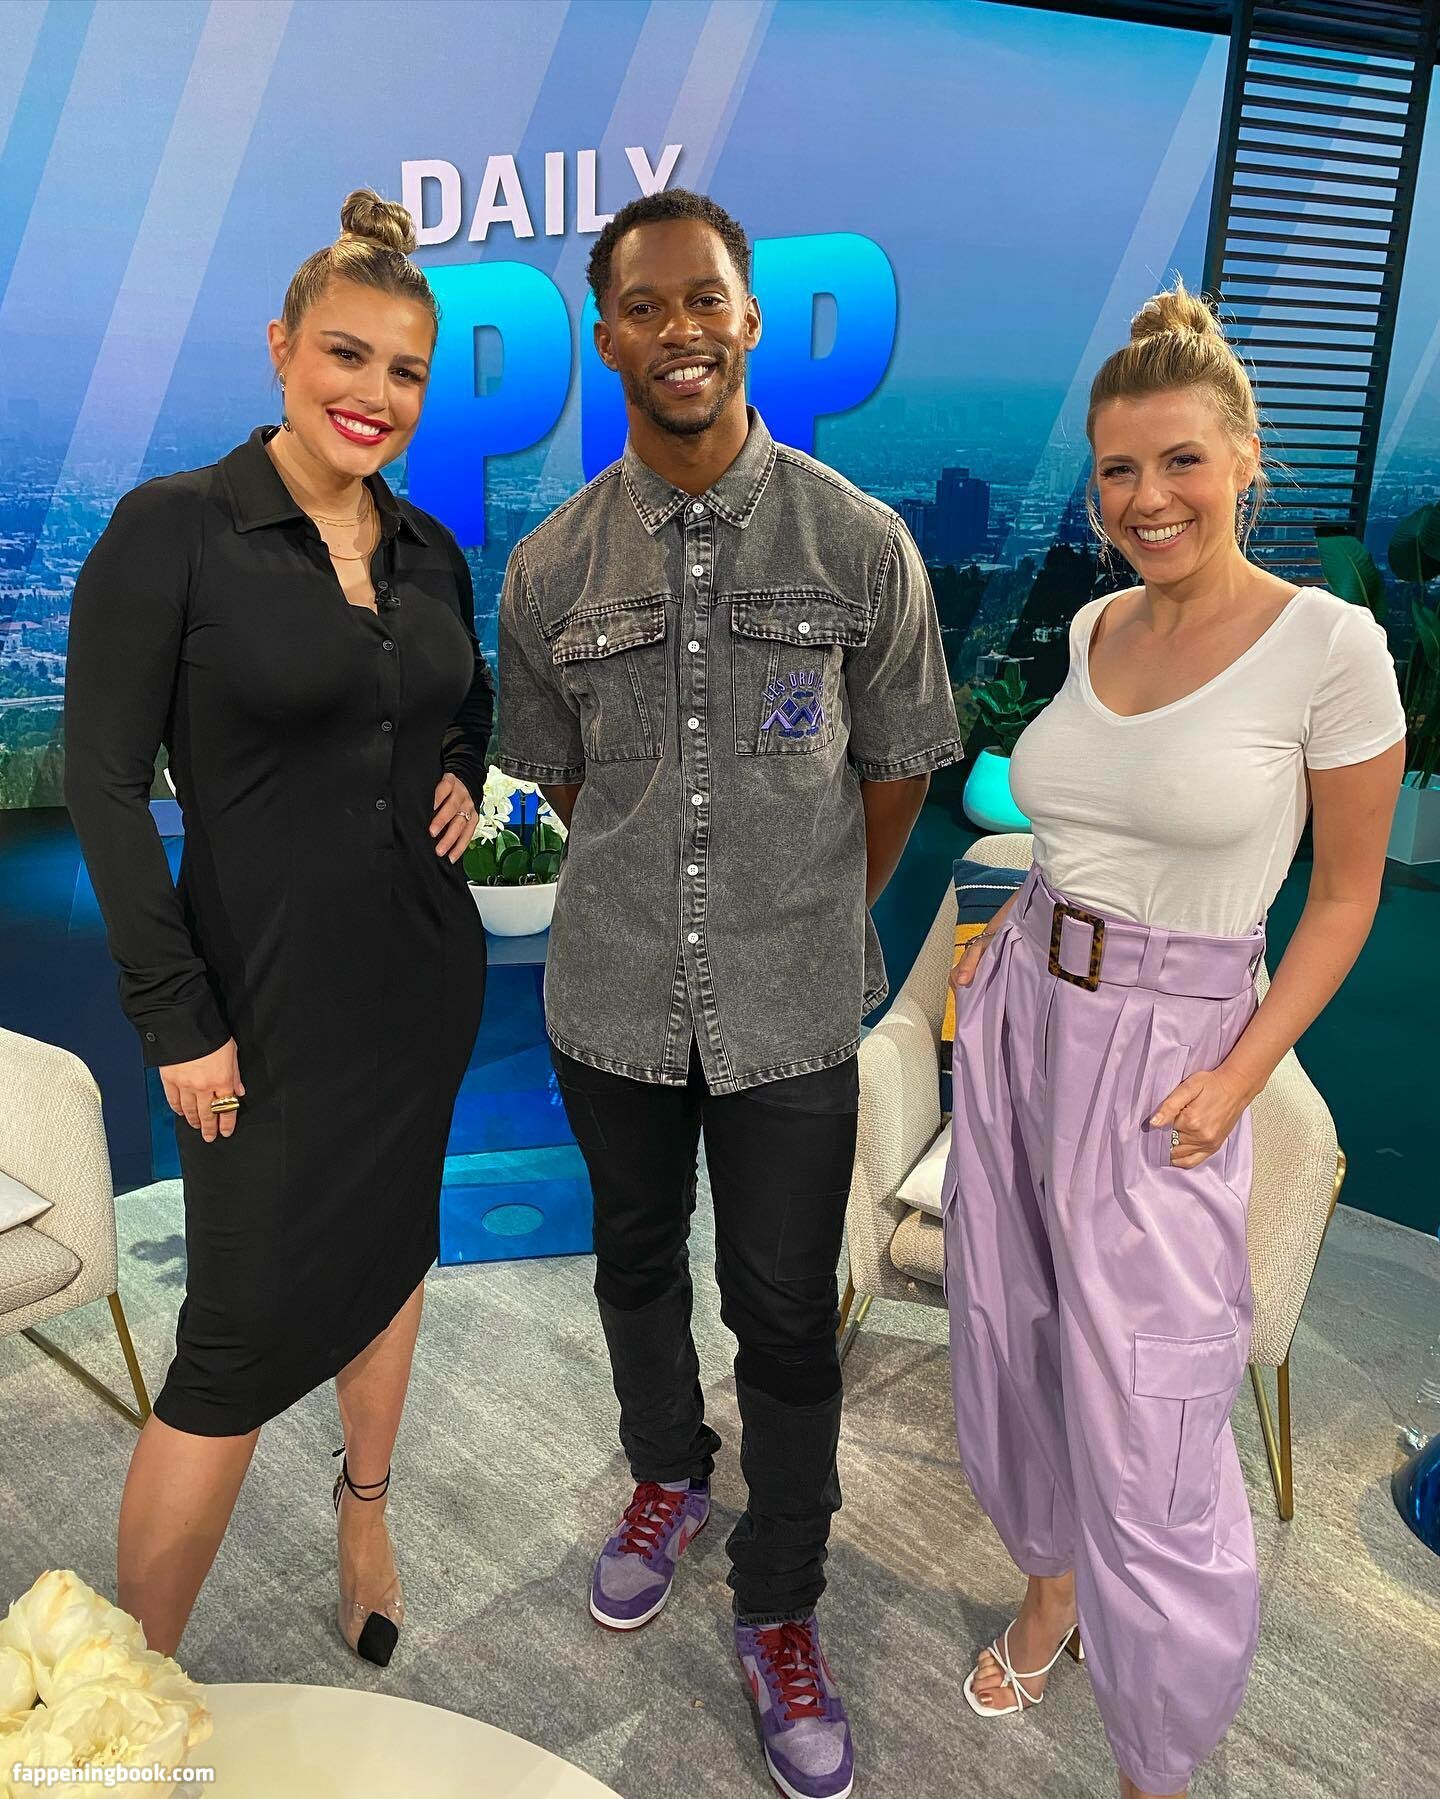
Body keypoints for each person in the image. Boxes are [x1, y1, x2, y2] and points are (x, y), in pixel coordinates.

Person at [496, 188, 961, 1799]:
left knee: (783, 1313)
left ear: (749, 318)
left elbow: (898, 768)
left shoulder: (858, 541)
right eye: (646, 306)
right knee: (635, 1269)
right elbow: (559, 785)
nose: (679, 330)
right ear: (605, 336)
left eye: (706, 299)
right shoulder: (550, 567)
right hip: (612, 999)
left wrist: (800, 903)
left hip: (791, 1011)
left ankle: (781, 1605)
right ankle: (668, 1473)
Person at [943, 281, 1406, 1798]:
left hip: (1172, 1053)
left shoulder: (1329, 646)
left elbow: (1344, 897)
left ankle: (1160, 1757)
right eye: (1119, 470)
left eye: (1181, 461)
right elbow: (1070, 826)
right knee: (1009, 1334)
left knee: (1156, 1409)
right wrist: (991, 983)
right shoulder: (1093, 626)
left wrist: (1240, 1073)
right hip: (1024, 1012)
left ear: (1245, 459)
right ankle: (1052, 1592)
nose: (1148, 498)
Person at [63, 190, 492, 1667]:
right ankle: (131, 1694)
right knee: (233, 1343)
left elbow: (455, 706)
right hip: (257, 1009)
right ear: (281, 349)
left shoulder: (430, 548)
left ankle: (365, 1511)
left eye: (405, 371)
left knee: (393, 1250)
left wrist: (459, 770)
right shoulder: (174, 529)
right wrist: (176, 1019)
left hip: (419, 989)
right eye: (346, 355)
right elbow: (104, 789)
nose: (375, 394)